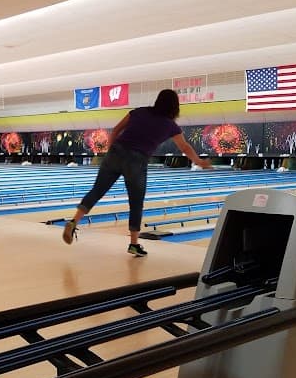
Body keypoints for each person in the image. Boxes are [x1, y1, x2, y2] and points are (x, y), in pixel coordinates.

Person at [63, 89, 212, 256]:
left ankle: (74, 221)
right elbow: (184, 147)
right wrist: (199, 161)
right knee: (136, 203)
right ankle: (134, 244)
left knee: (96, 191)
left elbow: (116, 130)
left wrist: (111, 150)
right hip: (137, 160)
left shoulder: (139, 112)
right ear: (175, 107)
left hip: (116, 152)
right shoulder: (171, 125)